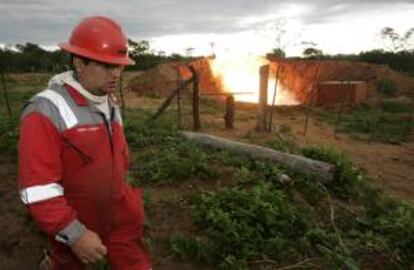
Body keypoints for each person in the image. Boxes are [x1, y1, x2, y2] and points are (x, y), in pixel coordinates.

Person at [17, 16, 151, 270]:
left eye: (120, 66)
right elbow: (38, 189)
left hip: (120, 218)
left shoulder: (107, 100)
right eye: (107, 65)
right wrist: (73, 232)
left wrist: (131, 207)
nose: (116, 74)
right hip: (76, 220)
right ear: (80, 62)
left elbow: (117, 161)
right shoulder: (45, 110)